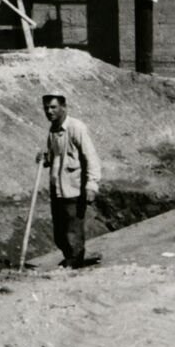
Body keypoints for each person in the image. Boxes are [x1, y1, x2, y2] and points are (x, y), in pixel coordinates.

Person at [39, 93, 101, 269]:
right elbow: (54, 158)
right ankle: (71, 258)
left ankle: (74, 262)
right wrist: (44, 159)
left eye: (53, 107)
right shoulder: (53, 130)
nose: (49, 111)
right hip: (57, 188)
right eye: (46, 108)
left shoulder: (76, 128)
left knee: (73, 229)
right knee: (59, 232)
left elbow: (92, 157)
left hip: (73, 188)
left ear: (63, 107)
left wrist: (92, 184)